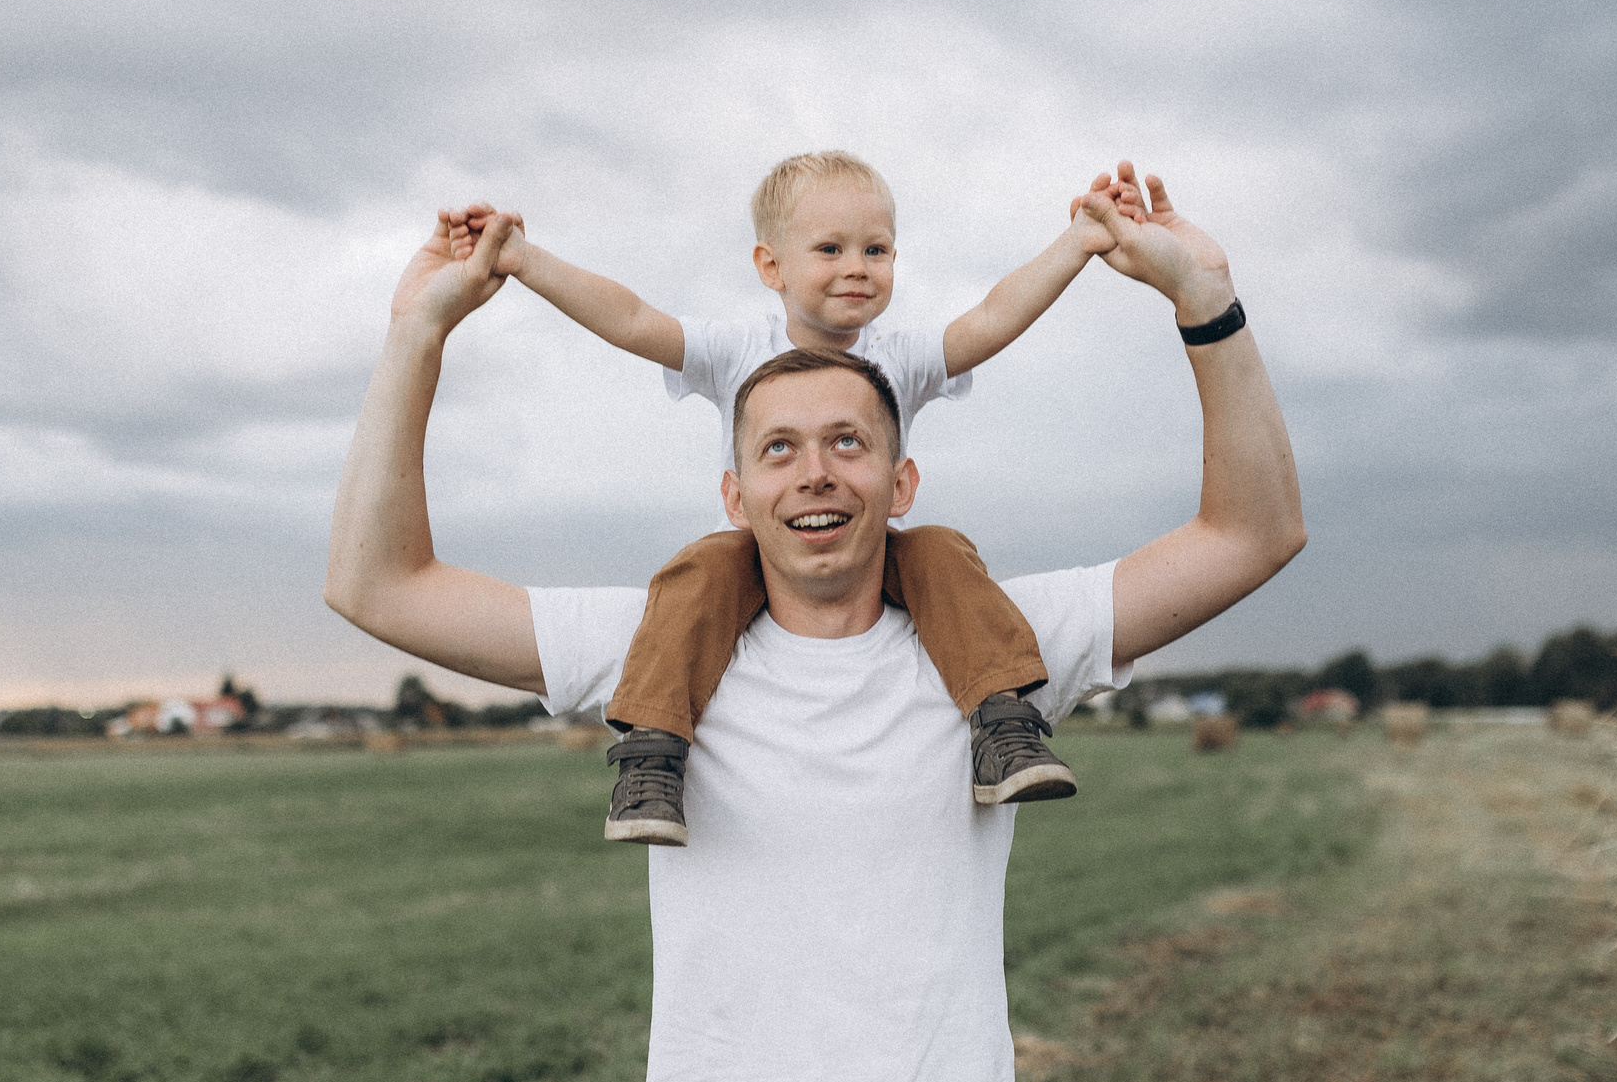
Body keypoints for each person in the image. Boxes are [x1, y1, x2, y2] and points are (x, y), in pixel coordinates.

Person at [325, 164, 1304, 1082]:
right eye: (776, 449)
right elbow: (378, 584)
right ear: (734, 496)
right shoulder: (660, 646)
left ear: (902, 483)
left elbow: (1251, 533)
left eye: (849, 442)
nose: (814, 473)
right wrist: (417, 333)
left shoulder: (1000, 643)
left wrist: (1208, 305)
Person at [439, 150, 1116, 846]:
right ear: (771, 267)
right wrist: (524, 259)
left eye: (877, 249)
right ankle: (653, 757)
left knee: (943, 549)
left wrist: (1077, 244)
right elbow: (630, 316)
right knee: (696, 572)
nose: (858, 266)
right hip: (762, 559)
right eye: (831, 249)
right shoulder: (738, 349)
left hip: (869, 552)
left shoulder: (902, 355)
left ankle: (1003, 725)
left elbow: (994, 316)